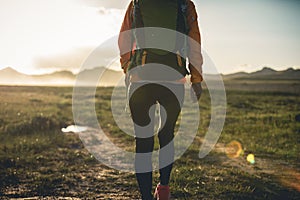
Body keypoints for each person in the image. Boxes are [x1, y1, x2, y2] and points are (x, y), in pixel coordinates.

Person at [118, 0, 203, 199]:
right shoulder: (184, 4)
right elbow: (194, 41)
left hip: (141, 80)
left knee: (143, 141)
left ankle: (146, 197)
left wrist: (128, 68)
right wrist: (196, 78)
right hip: (173, 80)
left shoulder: (137, 2)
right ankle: (163, 189)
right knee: (167, 136)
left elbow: (124, 39)